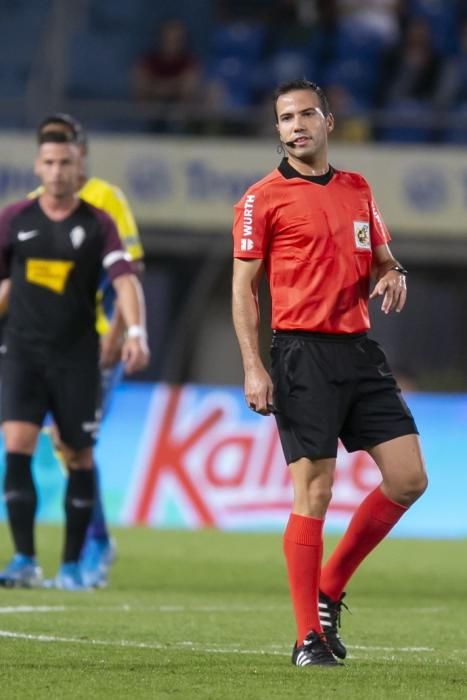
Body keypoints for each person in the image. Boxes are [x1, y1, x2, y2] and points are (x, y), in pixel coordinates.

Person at [231, 79, 427, 667]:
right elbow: (243, 288)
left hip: (358, 351)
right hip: (300, 356)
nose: (296, 124)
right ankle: (305, 639)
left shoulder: (358, 190)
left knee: (408, 478)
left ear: (328, 121)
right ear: (278, 130)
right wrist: (253, 365)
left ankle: (328, 588)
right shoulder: (261, 198)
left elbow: (384, 261)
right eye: (286, 117)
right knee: (314, 491)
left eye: (306, 113)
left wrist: (395, 274)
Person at [0, 112, 145, 588]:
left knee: (75, 449)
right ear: (38, 164)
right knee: (21, 444)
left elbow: (129, 272)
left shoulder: (103, 207)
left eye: (65, 156)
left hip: (89, 344)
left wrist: (125, 331)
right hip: (23, 348)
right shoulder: (18, 215)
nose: (58, 167)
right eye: (48, 157)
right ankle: (32, 558)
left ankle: (86, 553)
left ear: (79, 156)